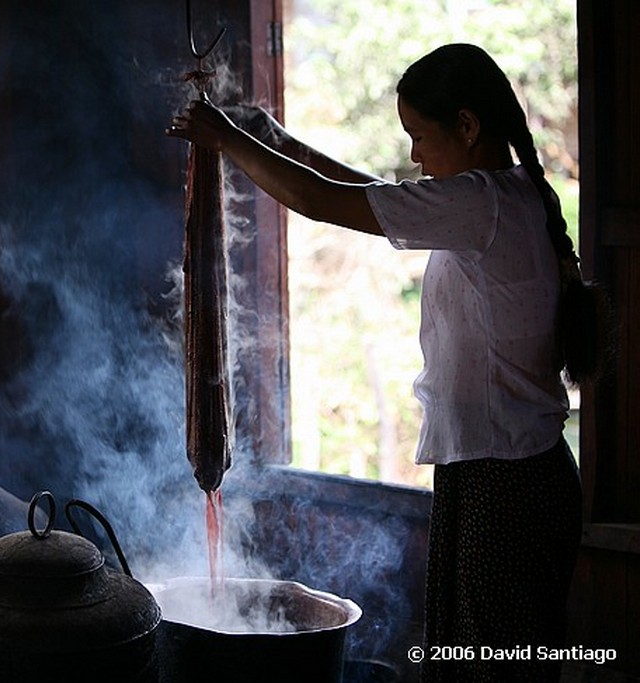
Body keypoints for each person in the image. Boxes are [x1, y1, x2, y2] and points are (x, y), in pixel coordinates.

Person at [168, 43, 607, 682]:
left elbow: (324, 203)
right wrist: (271, 140)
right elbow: (369, 193)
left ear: (467, 126)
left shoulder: (482, 203)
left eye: (420, 136)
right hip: (506, 472)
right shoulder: (501, 197)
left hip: (505, 485)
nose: (414, 155)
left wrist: (228, 140)